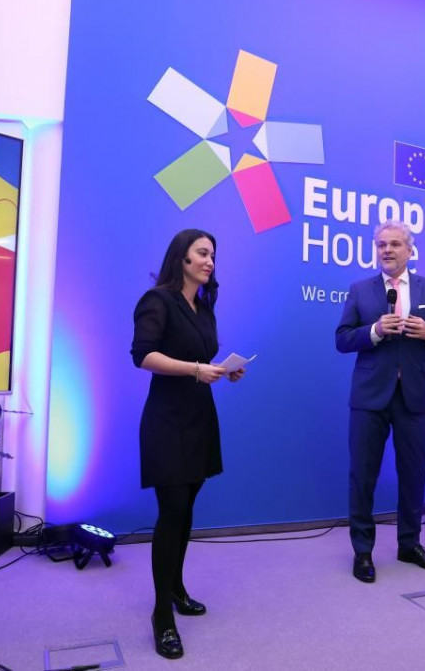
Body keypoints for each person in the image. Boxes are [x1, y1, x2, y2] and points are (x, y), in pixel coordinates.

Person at [130, 228, 246, 659]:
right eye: (202, 253)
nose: (210, 261)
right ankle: (162, 615)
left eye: (213, 254)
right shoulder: (157, 300)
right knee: (172, 512)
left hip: (200, 417)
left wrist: (222, 370)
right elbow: (143, 355)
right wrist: (197, 369)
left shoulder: (204, 306)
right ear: (182, 257)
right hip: (167, 420)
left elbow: (201, 358)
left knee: (186, 510)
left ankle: (177, 589)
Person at [335, 220, 425, 583]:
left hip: (414, 397)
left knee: (414, 474)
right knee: (363, 475)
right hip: (370, 397)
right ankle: (363, 551)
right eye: (381, 245)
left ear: (409, 250)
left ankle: (409, 544)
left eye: (394, 244)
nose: (387, 250)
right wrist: (374, 331)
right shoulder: (360, 290)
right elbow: (342, 339)